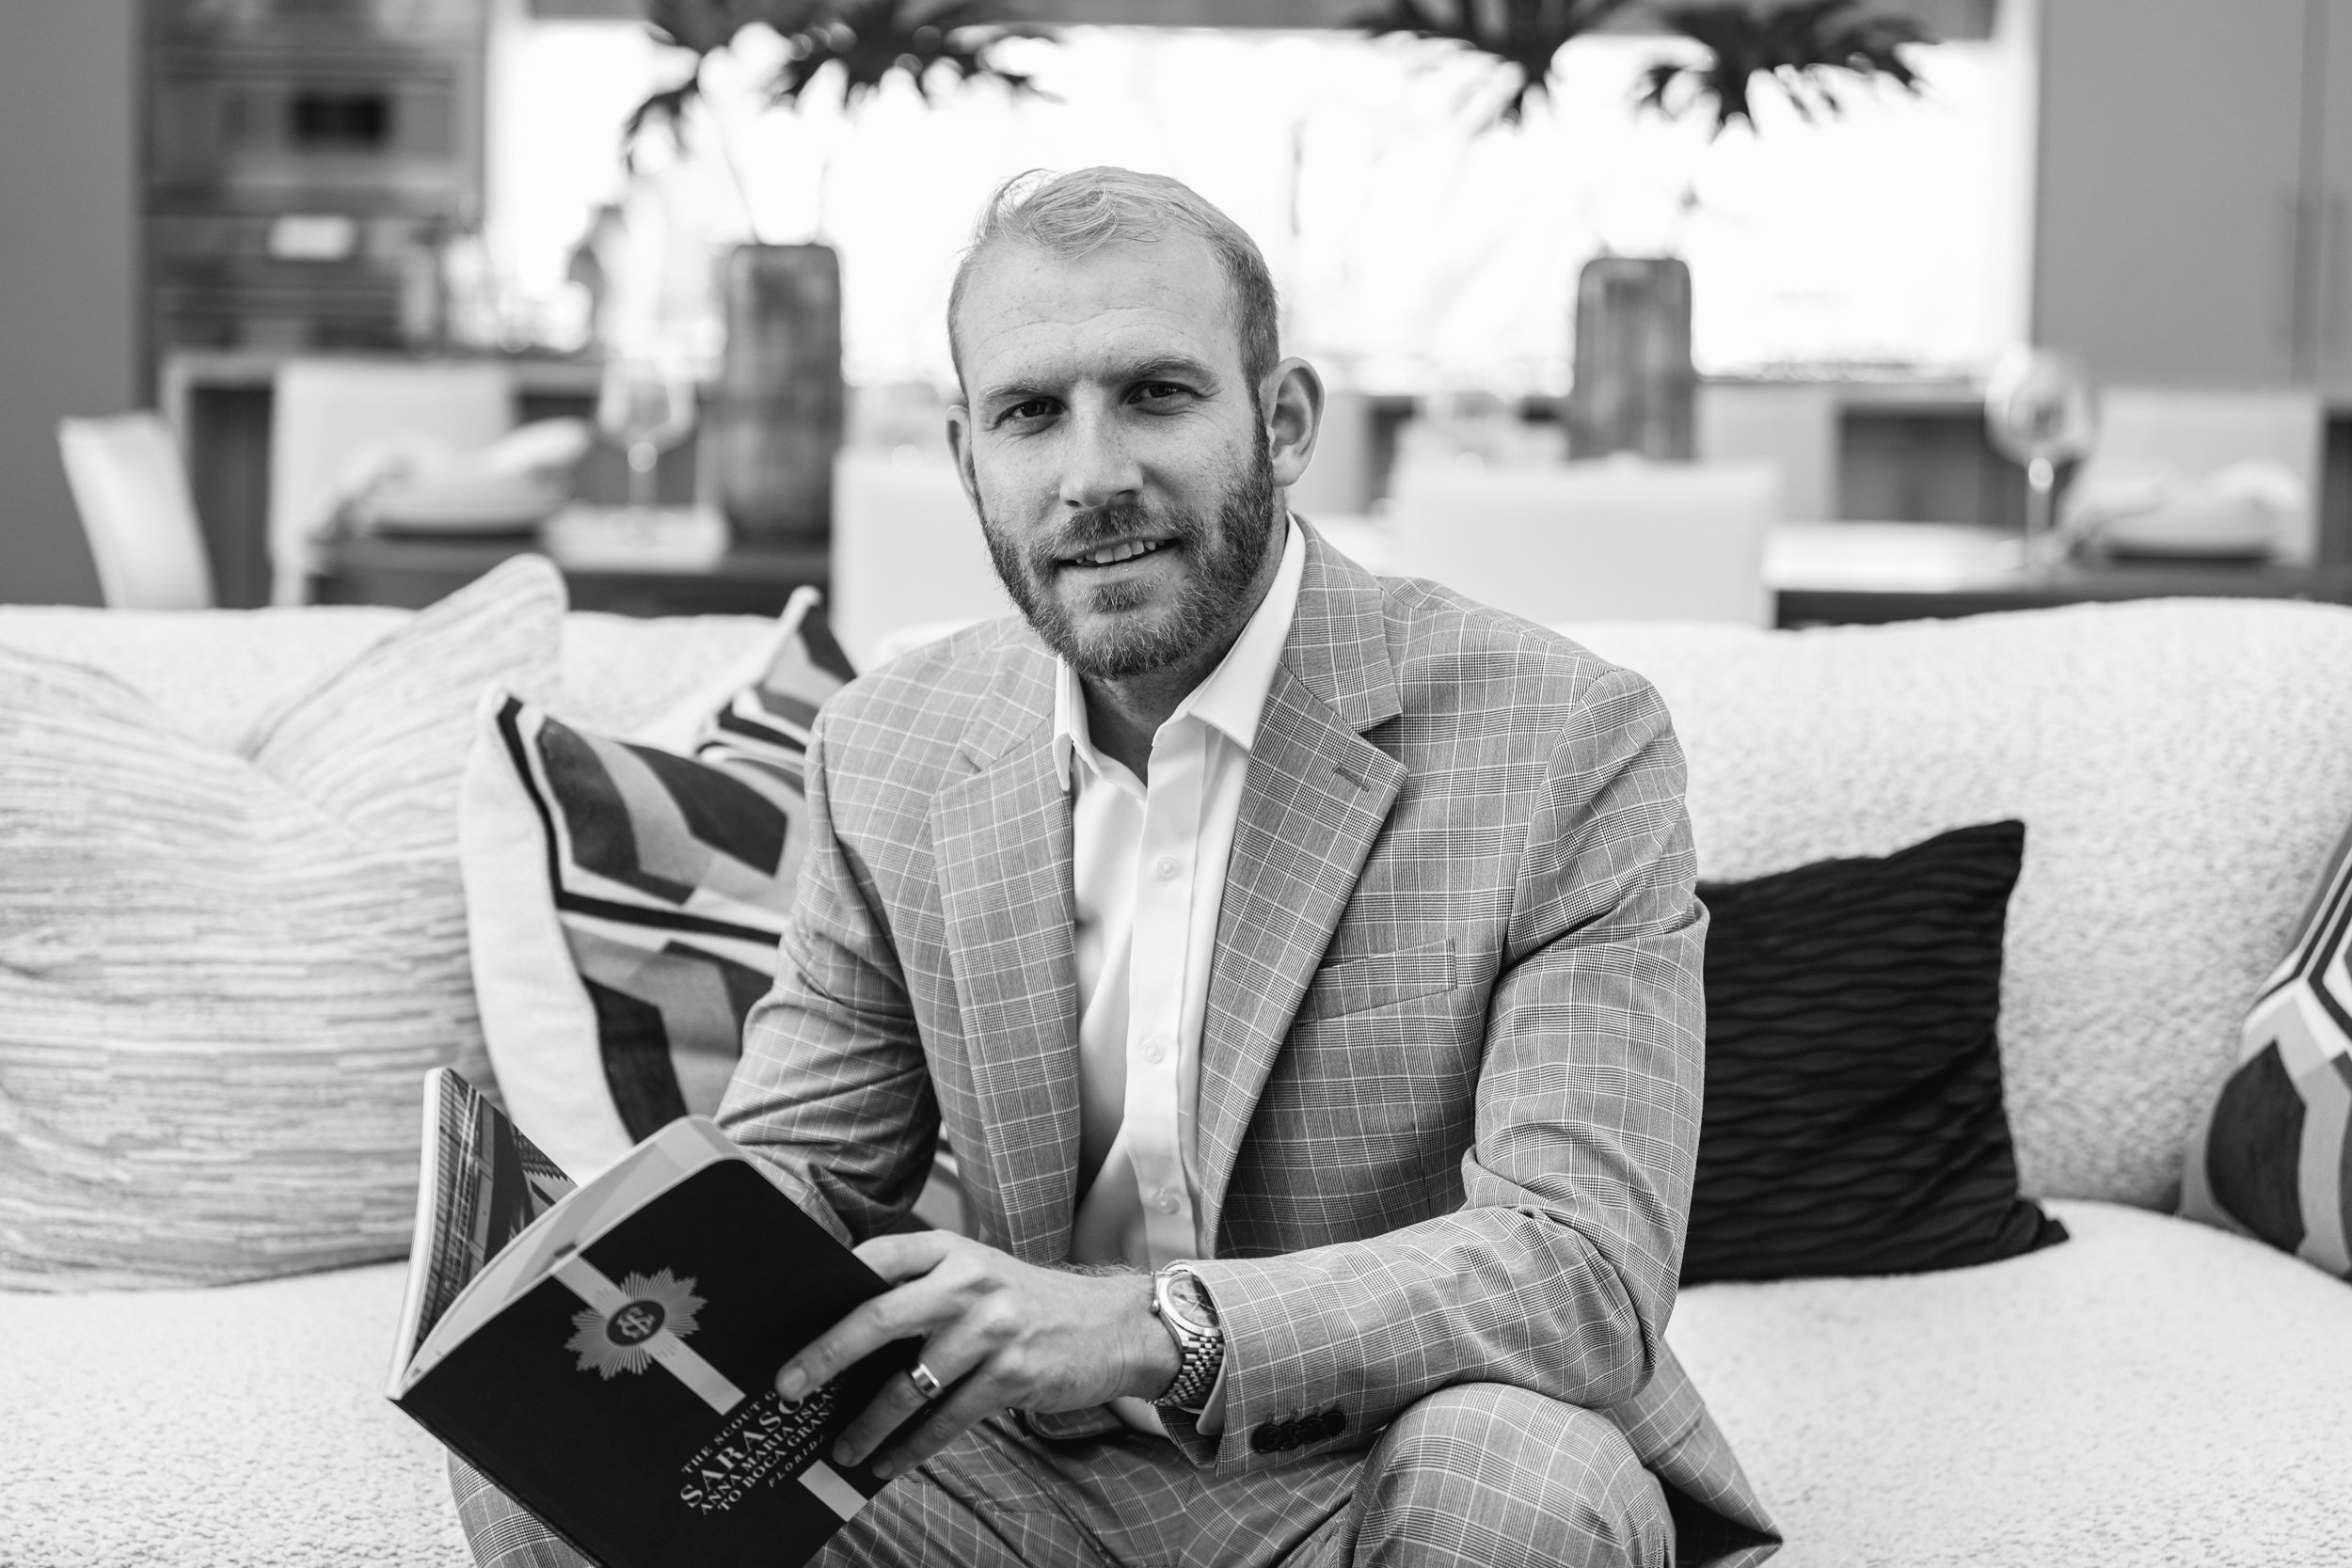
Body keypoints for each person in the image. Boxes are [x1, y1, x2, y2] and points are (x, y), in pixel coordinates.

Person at [456, 166, 1776, 1568]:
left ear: (1282, 423)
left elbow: (1579, 1269)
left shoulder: (1566, 739)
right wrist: (623, 1268)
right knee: (553, 1481)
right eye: (1032, 414)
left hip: (1395, 1443)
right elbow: (806, 1170)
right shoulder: (892, 746)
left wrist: (1150, 1328)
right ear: (969, 459)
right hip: (1007, 1473)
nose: (1093, 476)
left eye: (1156, 394)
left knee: (1517, 1488)